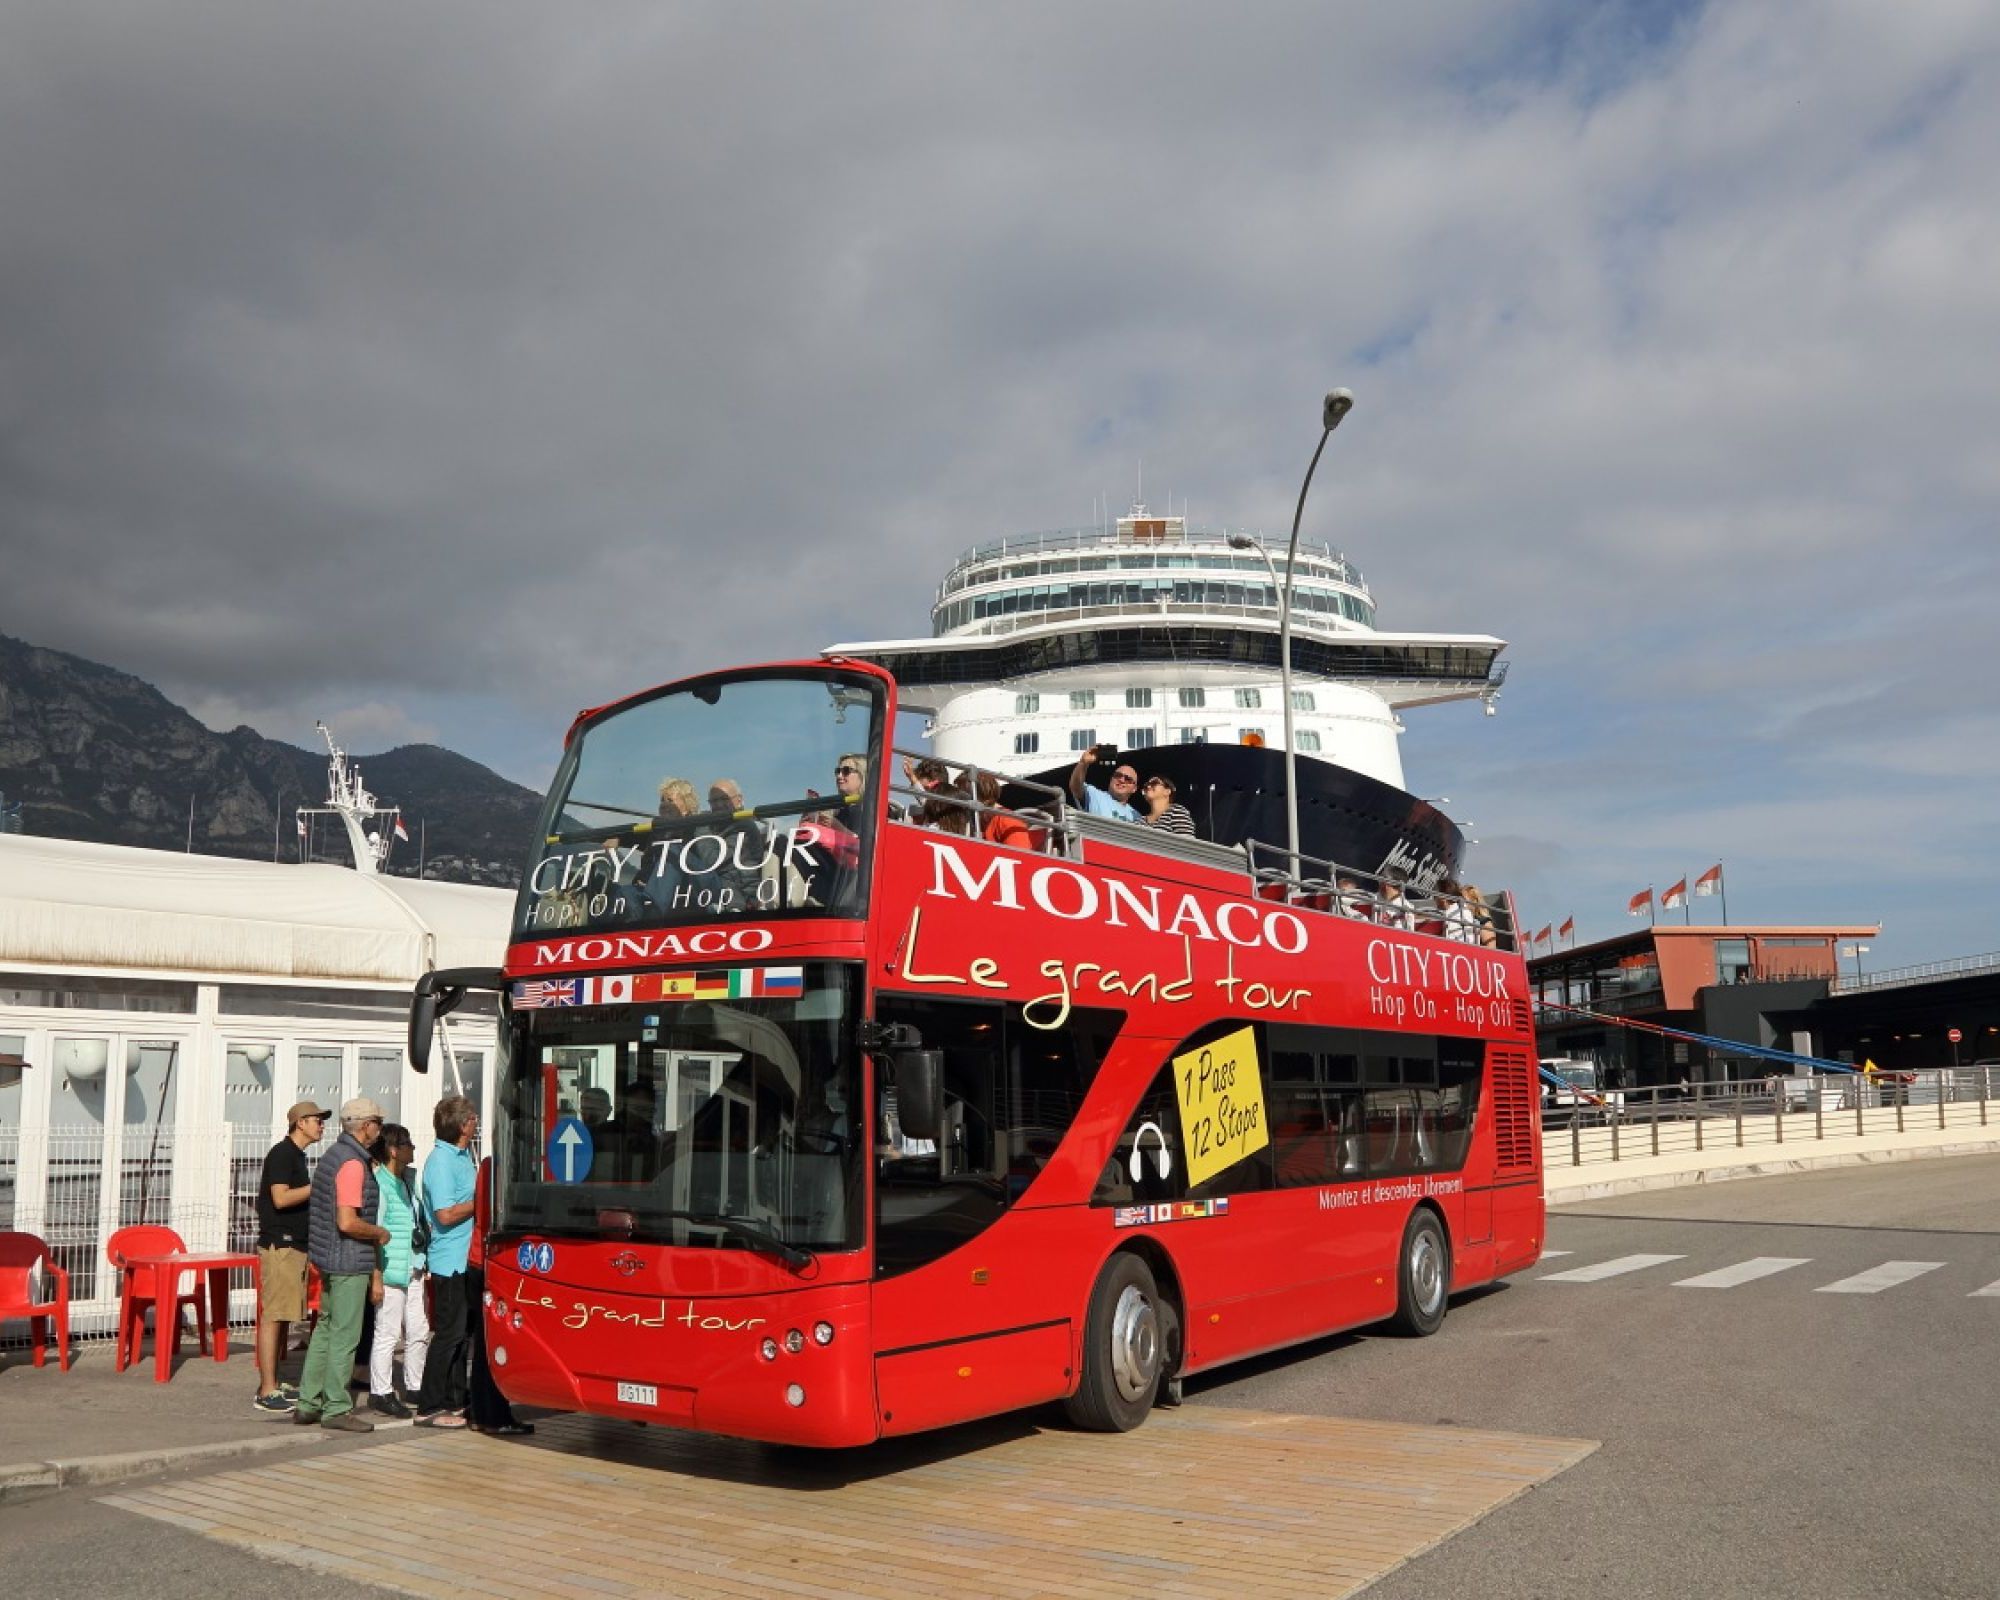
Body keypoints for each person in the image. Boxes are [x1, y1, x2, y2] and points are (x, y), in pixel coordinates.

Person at [294, 1097, 389, 1432]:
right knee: (345, 1337)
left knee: (325, 1330)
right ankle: (336, 1407)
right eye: (377, 1121)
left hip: (328, 1257)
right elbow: (348, 1222)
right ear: (366, 1126)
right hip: (349, 1259)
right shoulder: (352, 1163)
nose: (379, 1128)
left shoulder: (333, 1155)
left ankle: (308, 1402)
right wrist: (379, 1232)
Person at [253, 1099, 327, 1413]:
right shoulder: (283, 1154)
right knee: (273, 1317)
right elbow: (280, 1198)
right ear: (300, 1123)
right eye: (317, 1120)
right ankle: (266, 1389)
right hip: (280, 1245)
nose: (321, 1125)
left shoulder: (295, 1155)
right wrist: (317, 1187)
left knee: (282, 1315)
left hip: (293, 1245)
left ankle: (274, 1381)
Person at [413, 1094, 479, 1429]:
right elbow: (444, 1213)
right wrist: (483, 1201)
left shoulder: (465, 1156)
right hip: (448, 1260)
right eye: (473, 1118)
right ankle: (429, 1405)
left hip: (466, 1259)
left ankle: (456, 1400)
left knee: (461, 1334)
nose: (477, 1121)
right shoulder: (440, 1161)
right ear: (465, 1124)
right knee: (448, 1334)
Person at [365, 1123, 429, 1419]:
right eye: (408, 1144)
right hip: (391, 1268)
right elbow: (376, 1232)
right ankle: (381, 1391)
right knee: (388, 1332)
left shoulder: (408, 1180)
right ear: (394, 1150)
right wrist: (376, 1275)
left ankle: (415, 1386)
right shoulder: (380, 1184)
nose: (413, 1148)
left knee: (419, 1329)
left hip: (414, 1264)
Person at [465, 1155, 531, 1436]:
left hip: (480, 1259)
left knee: (484, 1342)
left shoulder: (489, 1164)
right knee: (489, 1343)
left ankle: (485, 1411)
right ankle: (492, 1414)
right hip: (492, 1261)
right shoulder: (502, 1167)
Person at [1068, 747, 1141, 822]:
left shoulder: (1136, 816)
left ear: (1134, 788)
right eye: (1117, 775)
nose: (1122, 780)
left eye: (1128, 779)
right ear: (1111, 778)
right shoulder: (1094, 794)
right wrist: (1083, 763)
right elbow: (1075, 787)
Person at [975, 771, 1033, 848]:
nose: (960, 800)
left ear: (983, 796)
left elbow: (1020, 856)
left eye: (965, 795)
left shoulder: (1008, 820)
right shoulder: (975, 821)